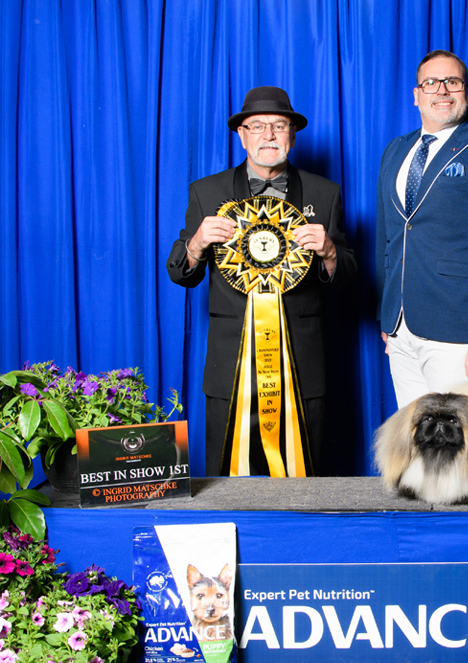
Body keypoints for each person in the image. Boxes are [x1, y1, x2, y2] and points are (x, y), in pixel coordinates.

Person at [166, 86, 355, 476]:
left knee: (304, 480)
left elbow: (350, 278)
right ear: (241, 135)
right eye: (258, 126)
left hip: (300, 367)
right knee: (225, 481)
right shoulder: (206, 192)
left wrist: (331, 253)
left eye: (279, 125)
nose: (268, 135)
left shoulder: (325, 192)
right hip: (229, 366)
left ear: (292, 134)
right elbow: (180, 273)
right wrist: (197, 242)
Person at [375, 50, 468, 408]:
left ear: (466, 93)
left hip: (459, 329)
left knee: (462, 450)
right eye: (431, 82)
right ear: (416, 95)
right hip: (400, 329)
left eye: (452, 82)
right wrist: (387, 314)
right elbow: (388, 238)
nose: (441, 90)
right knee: (415, 444)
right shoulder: (395, 151)